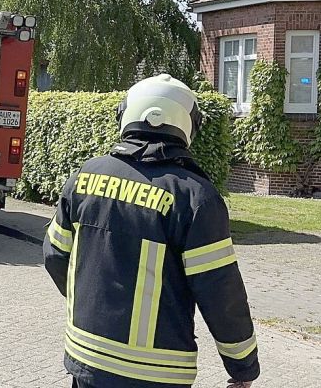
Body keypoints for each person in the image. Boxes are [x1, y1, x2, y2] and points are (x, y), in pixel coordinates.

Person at [43, 74, 259, 388]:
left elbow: (54, 254)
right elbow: (220, 293)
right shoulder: (195, 197)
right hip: (156, 372)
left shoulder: (85, 177)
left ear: (126, 115)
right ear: (187, 126)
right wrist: (243, 367)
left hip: (87, 359)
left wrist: (93, 303)